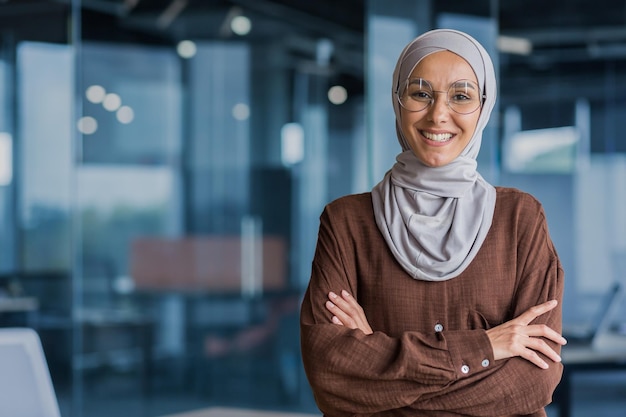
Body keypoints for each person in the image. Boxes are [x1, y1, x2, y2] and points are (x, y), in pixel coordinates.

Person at [299, 28, 566, 417]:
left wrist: (381, 368)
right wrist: (487, 347)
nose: (439, 114)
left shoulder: (520, 219)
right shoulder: (346, 223)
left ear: (483, 107)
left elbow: (533, 382)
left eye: (461, 96)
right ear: (397, 100)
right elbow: (331, 374)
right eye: (420, 93)